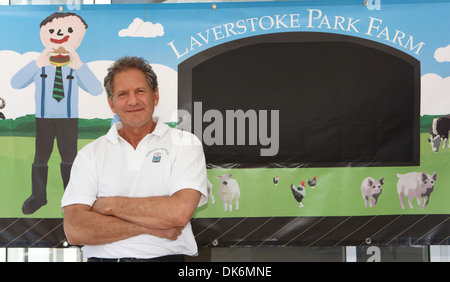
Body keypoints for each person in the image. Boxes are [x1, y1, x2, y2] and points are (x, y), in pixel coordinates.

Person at [61, 56, 208, 262]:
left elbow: (179, 213)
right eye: (123, 94)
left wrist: (109, 205)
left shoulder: (185, 144)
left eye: (140, 91)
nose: (132, 101)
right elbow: (76, 229)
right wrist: (152, 227)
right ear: (112, 104)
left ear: (155, 96)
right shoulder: (90, 153)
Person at [11, 12, 103, 214]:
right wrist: (38, 62)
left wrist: (78, 63)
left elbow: (96, 89)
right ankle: (38, 196)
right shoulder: (40, 64)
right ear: (43, 34)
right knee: (40, 156)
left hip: (68, 119)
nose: (60, 34)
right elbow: (15, 83)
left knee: (69, 156)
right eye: (52, 30)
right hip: (43, 119)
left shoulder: (74, 66)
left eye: (70, 30)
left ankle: (71, 196)